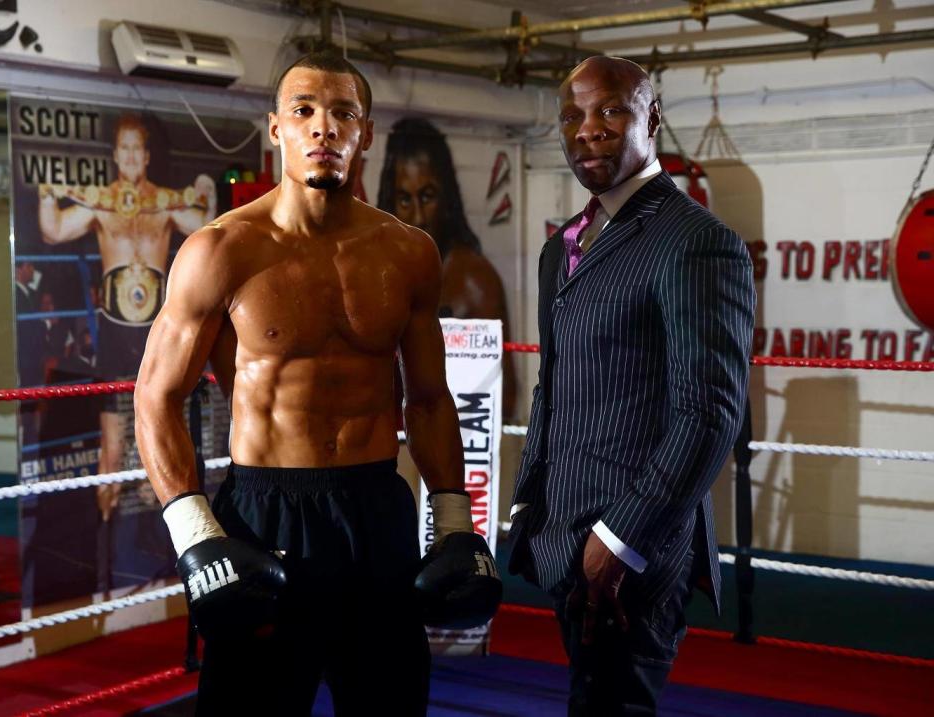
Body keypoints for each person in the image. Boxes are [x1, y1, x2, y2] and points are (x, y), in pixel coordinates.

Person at [134, 51, 500, 716]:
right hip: (268, 511)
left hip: (376, 511)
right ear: (276, 128)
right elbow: (156, 395)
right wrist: (195, 533)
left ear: (365, 133)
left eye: (342, 114)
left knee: (389, 703)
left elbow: (428, 395)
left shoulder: (408, 252)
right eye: (303, 111)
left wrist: (453, 521)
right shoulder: (221, 250)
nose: (322, 127)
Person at [508, 56, 755, 716]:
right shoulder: (560, 246)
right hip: (565, 536)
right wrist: (529, 503)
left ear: (650, 117)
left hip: (634, 548)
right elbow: (554, 383)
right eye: (572, 115)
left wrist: (619, 541)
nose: (587, 128)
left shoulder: (697, 242)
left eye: (610, 110)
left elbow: (710, 412)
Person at [37, 113, 217, 521]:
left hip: (158, 333)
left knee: (170, 442)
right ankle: (105, 575)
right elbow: (54, 229)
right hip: (115, 334)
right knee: (112, 449)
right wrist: (49, 196)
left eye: (138, 148)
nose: (132, 156)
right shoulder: (102, 203)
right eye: (125, 148)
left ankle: (169, 561)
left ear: (147, 155)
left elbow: (207, 228)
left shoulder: (164, 203)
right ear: (116, 155)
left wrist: (205, 193)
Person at [377, 117, 517, 420]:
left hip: (454, 443)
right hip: (385, 445)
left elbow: (504, 398)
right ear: (390, 200)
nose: (417, 215)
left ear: (447, 197)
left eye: (427, 196)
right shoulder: (377, 273)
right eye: (404, 199)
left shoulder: (474, 281)